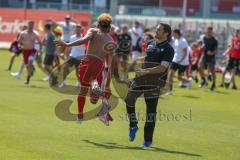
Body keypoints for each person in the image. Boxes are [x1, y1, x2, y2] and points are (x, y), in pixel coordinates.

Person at [55, 13, 116, 123]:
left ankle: (80, 115)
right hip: (98, 66)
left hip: (87, 63)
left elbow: (84, 40)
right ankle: (98, 92)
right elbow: (110, 65)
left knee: (83, 90)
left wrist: (67, 44)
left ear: (98, 23)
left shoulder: (93, 31)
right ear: (109, 26)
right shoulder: (110, 40)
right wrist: (107, 85)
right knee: (94, 98)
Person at [125, 23, 174, 149]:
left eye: (159, 30)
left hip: (154, 82)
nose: (156, 31)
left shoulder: (169, 49)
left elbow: (163, 67)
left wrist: (147, 71)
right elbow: (149, 57)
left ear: (166, 33)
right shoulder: (151, 43)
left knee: (150, 112)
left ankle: (147, 141)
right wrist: (138, 62)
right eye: (156, 29)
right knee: (129, 99)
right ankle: (133, 124)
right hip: (141, 78)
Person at [167, 29, 191, 96]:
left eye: (173, 33)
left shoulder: (183, 41)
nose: (172, 35)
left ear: (176, 33)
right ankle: (170, 91)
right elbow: (175, 51)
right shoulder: (175, 40)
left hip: (182, 62)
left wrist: (180, 60)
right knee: (170, 75)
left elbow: (186, 52)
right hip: (175, 60)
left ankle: (189, 81)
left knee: (179, 78)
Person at [17, 21, 41, 85]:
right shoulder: (23, 33)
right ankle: (32, 68)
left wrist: (38, 51)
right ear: (28, 25)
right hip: (25, 51)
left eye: (32, 25)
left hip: (32, 51)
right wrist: (20, 45)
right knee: (27, 66)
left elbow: (39, 42)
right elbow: (19, 41)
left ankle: (27, 80)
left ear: (33, 26)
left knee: (30, 63)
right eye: (30, 25)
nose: (31, 27)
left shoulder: (35, 34)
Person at [199, 27, 218, 91]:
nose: (209, 33)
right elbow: (202, 45)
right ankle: (203, 79)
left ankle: (214, 84)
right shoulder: (204, 38)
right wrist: (201, 47)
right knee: (199, 66)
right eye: (208, 31)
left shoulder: (214, 40)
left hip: (211, 57)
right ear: (206, 31)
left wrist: (211, 53)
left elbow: (216, 51)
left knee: (212, 71)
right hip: (204, 55)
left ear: (212, 32)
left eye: (210, 32)